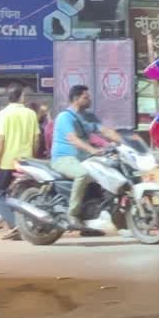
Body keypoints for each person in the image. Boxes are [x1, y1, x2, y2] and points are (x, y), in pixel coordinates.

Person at [51, 85, 121, 228]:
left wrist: (124, 143)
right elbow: (73, 139)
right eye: (86, 97)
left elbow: (105, 131)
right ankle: (72, 214)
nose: (89, 100)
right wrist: (92, 150)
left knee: (107, 173)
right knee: (82, 175)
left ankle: (93, 216)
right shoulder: (65, 117)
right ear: (76, 99)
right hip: (63, 159)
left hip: (83, 159)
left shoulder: (88, 117)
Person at [0, 83, 39, 240]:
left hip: (6, 162)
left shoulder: (3, 114)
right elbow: (36, 138)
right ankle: (24, 225)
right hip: (25, 162)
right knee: (23, 195)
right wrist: (32, 157)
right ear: (21, 96)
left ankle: (16, 224)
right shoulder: (30, 114)